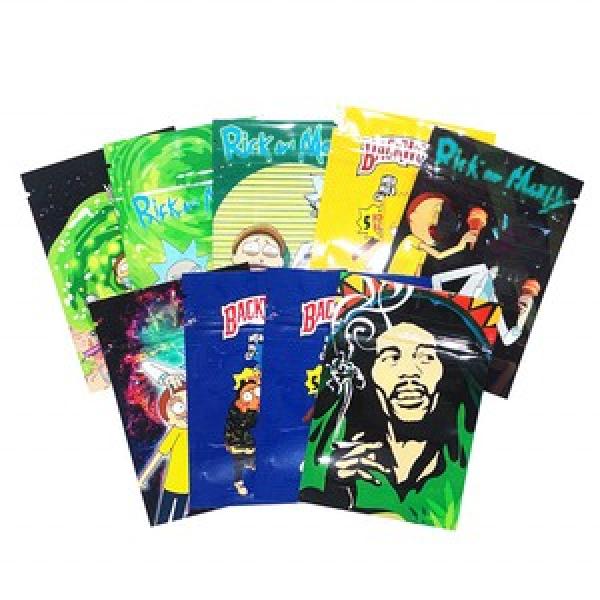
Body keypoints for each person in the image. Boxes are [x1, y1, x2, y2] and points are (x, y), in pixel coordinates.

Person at [301, 285, 490, 518]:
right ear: (368, 373)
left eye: (426, 356)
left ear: (447, 372)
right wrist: (336, 493)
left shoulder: (465, 463)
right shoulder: (332, 454)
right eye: (391, 357)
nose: (409, 372)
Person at [138, 375, 189, 524]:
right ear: (168, 414)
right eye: (179, 407)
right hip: (171, 484)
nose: (186, 412)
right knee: (163, 517)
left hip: (187, 487)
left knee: (178, 516)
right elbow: (159, 456)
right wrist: (144, 477)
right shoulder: (175, 432)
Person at [386, 192, 477, 275]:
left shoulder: (423, 247)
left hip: (405, 283)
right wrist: (460, 246)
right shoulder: (412, 240)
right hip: (394, 280)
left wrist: (417, 284)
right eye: (435, 213)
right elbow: (438, 255)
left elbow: (418, 268)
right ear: (413, 217)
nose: (436, 221)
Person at [225, 368, 261, 496]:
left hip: (247, 440)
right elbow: (235, 424)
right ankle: (238, 481)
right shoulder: (236, 408)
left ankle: (249, 466)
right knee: (238, 460)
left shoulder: (254, 409)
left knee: (250, 457)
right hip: (236, 439)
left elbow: (253, 424)